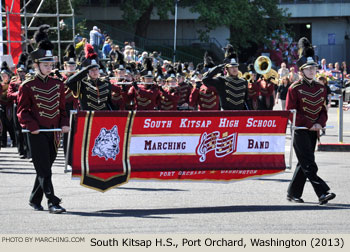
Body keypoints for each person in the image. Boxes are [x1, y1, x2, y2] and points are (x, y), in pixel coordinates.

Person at [17, 39, 69, 213]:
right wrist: (32, 126)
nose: (49, 67)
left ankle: (34, 199)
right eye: (45, 65)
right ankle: (52, 202)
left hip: (54, 132)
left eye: (50, 64)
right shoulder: (27, 86)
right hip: (37, 133)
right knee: (45, 169)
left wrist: (64, 124)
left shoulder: (58, 84)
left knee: (44, 168)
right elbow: (22, 111)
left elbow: (62, 109)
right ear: (36, 65)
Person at [286, 37, 336, 205]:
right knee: (309, 164)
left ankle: (293, 193)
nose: (312, 71)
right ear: (301, 71)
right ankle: (322, 193)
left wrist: (319, 124)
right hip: (300, 129)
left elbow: (323, 110)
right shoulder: (294, 88)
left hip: (314, 130)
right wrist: (309, 124)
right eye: (308, 69)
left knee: (303, 163)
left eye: (314, 68)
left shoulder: (321, 88)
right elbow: (291, 112)